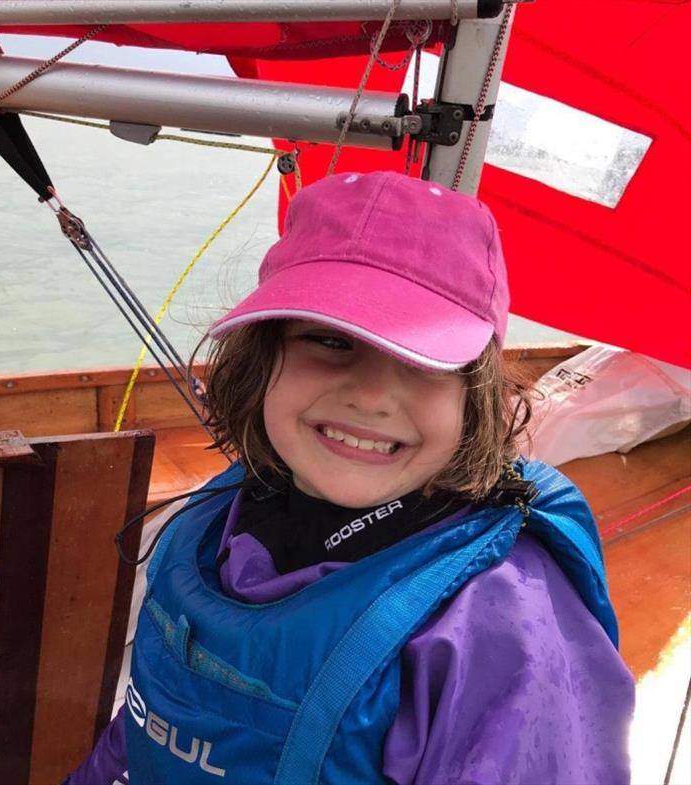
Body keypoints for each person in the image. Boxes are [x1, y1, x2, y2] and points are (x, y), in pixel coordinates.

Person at [65, 172, 634, 785]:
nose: (371, 396)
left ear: (475, 393)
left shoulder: (504, 630)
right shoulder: (215, 518)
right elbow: (147, 724)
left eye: (425, 359)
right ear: (263, 358)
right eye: (332, 340)